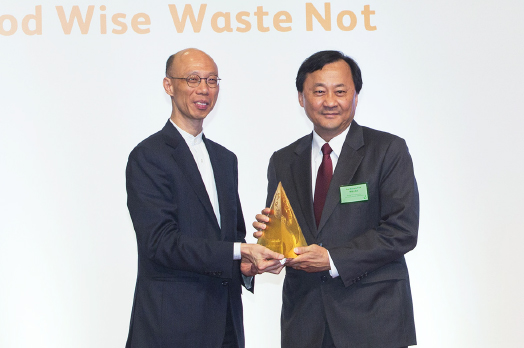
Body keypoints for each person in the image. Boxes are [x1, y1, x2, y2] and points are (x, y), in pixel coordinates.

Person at [253, 50, 419, 348]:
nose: (330, 101)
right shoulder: (283, 160)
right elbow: (286, 235)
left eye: (340, 91)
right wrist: (271, 241)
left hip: (373, 320)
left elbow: (401, 231)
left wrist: (331, 258)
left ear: (356, 96)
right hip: (305, 322)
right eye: (318, 91)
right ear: (301, 98)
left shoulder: (387, 150)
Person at [125, 48, 284, 348]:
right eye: (193, 79)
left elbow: (231, 239)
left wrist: (249, 264)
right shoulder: (148, 156)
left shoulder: (225, 159)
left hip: (225, 327)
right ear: (169, 86)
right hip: (169, 329)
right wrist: (240, 250)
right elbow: (160, 243)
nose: (204, 89)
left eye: (212, 80)